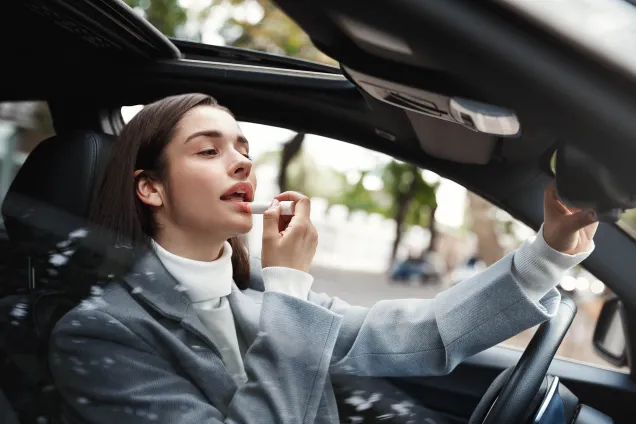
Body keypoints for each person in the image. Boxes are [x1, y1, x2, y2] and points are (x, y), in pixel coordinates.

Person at [49, 93, 598, 424]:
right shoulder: (99, 333)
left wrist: (547, 254)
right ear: (151, 189)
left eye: (243, 148)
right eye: (209, 150)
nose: (242, 163)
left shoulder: (256, 287)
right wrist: (288, 286)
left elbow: (419, 335)